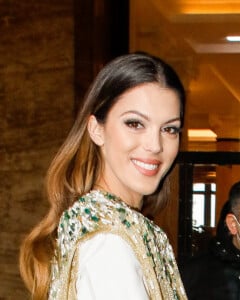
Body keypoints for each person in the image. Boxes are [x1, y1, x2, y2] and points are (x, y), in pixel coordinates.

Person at [19, 52, 188, 300]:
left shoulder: (99, 222)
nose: (155, 145)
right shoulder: (110, 242)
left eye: (169, 129)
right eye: (135, 123)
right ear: (97, 130)